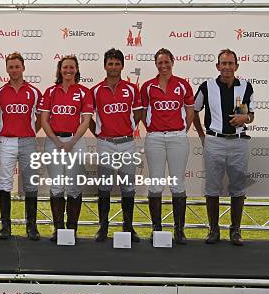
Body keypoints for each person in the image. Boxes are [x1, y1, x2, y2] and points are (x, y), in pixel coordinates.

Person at [192, 49, 254, 246]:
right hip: (214, 141)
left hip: (238, 142)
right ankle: (214, 230)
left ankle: (235, 230)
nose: (227, 67)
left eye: (230, 63)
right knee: (212, 187)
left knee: (238, 187)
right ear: (217, 66)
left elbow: (249, 115)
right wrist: (202, 135)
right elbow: (194, 110)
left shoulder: (245, 87)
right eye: (223, 63)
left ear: (237, 66)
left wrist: (246, 118)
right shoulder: (207, 86)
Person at [140, 48, 194, 244]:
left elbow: (190, 112)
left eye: (166, 62)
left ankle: (179, 229)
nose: (163, 66)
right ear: (156, 64)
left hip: (177, 138)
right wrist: (155, 129)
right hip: (154, 138)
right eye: (160, 63)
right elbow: (144, 114)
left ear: (173, 61)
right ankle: (157, 228)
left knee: (177, 183)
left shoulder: (183, 84)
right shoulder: (147, 86)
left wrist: (180, 131)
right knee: (155, 183)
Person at [89, 48, 143, 242]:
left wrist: (128, 127)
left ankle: (128, 226)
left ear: (122, 65)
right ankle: (103, 227)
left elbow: (138, 114)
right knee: (104, 187)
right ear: (105, 66)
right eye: (110, 63)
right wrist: (99, 132)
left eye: (117, 63)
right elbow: (88, 117)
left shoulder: (131, 89)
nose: (113, 67)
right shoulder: (95, 90)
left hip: (127, 143)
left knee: (128, 187)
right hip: (105, 144)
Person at [39, 55, 93, 241]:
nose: (68, 70)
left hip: (75, 142)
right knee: (56, 186)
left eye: (71, 67)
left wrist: (72, 141)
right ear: (60, 70)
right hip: (54, 142)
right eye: (65, 67)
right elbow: (44, 120)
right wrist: (56, 140)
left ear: (77, 70)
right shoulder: (50, 92)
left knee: (74, 187)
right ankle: (58, 229)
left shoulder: (85, 92)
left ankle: (72, 230)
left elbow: (86, 121)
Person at [0, 52, 43, 240]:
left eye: (17, 67)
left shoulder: (34, 92)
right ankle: (5, 226)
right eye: (11, 67)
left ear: (23, 68)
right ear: (6, 69)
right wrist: (2, 129)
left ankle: (32, 226)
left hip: (28, 141)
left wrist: (31, 131)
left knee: (30, 182)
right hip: (6, 141)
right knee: (5, 181)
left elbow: (39, 118)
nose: (14, 70)